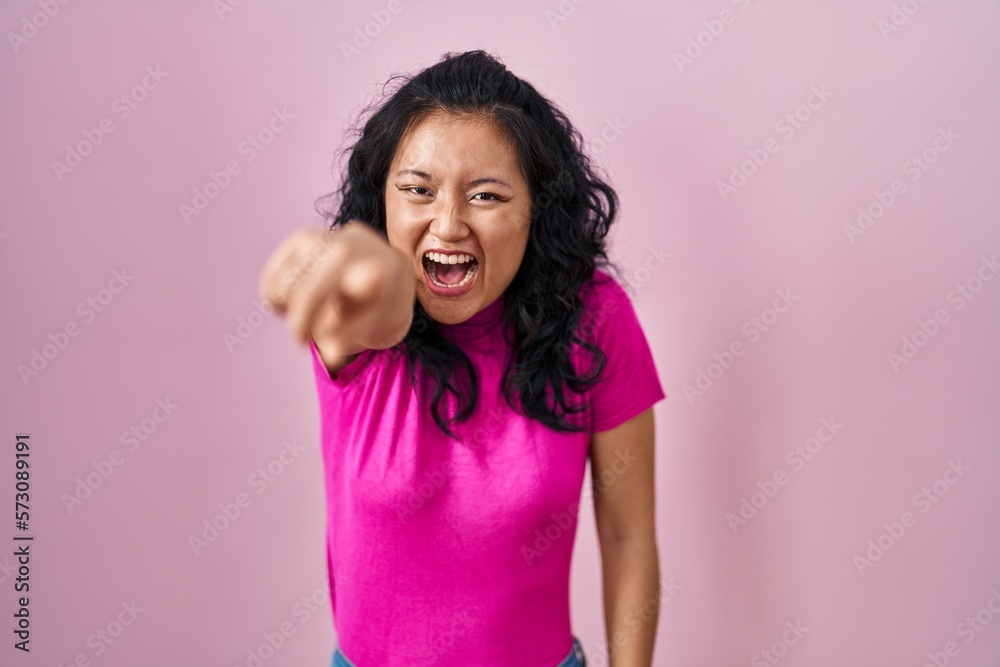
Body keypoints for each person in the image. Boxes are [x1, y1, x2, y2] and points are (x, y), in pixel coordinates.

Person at [259, 49, 666, 667]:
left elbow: (628, 535)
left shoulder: (596, 318)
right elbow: (384, 301)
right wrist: (348, 262)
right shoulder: (359, 323)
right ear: (383, 201)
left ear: (536, 209)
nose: (446, 226)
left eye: (486, 196)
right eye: (417, 190)